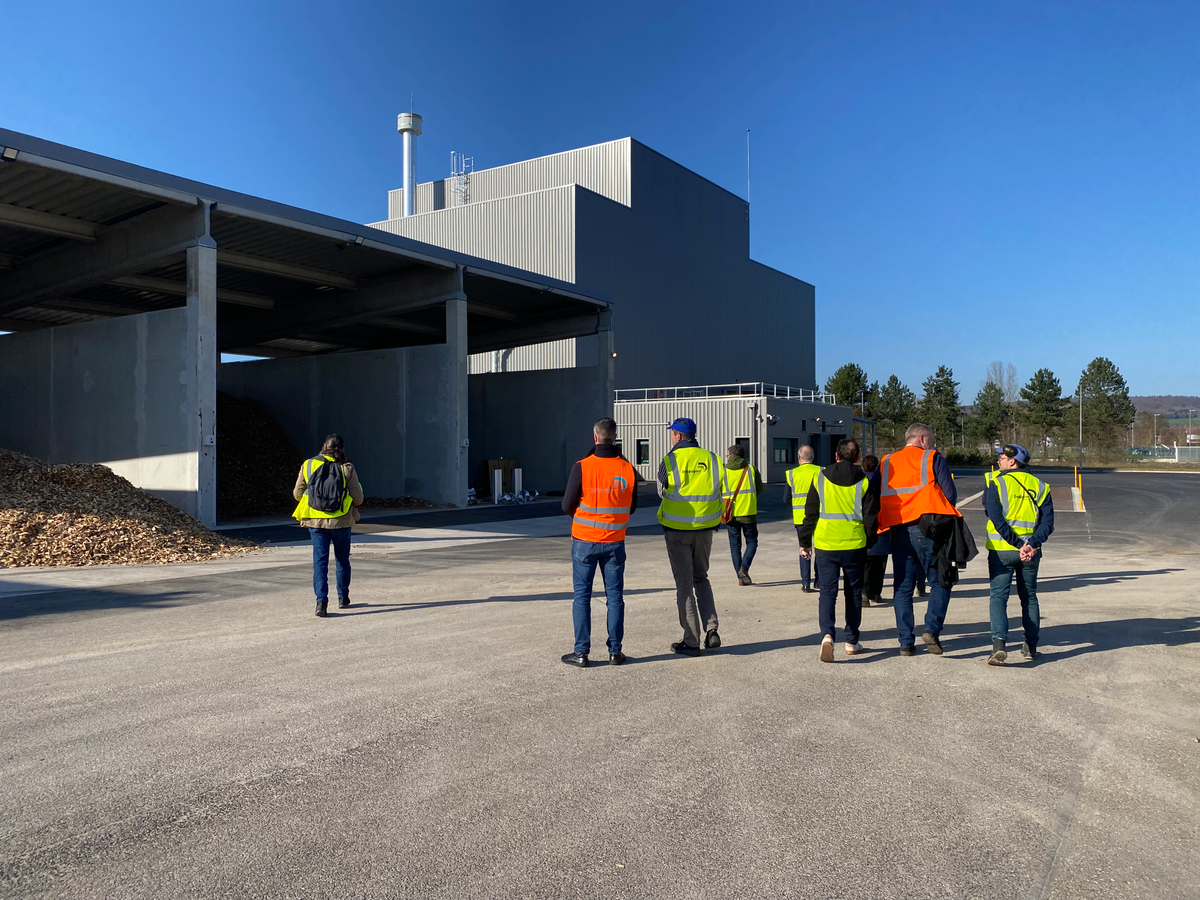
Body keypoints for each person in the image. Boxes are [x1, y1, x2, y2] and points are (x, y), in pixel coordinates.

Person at [559, 418, 638, 668]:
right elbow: (632, 506)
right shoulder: (627, 468)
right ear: (614, 437)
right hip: (615, 542)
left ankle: (581, 653)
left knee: (582, 597)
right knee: (615, 597)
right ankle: (615, 652)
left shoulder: (582, 466)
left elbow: (566, 505)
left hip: (585, 541)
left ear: (595, 437)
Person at [877, 423, 961, 655]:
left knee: (903, 588)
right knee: (939, 581)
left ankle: (905, 642)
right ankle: (931, 629)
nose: (932, 444)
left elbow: (873, 492)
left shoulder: (886, 461)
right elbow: (950, 494)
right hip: (928, 529)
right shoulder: (931, 457)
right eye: (931, 439)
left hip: (897, 529)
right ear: (922, 438)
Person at [798, 438, 879, 662]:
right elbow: (871, 517)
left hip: (826, 544)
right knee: (853, 594)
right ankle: (852, 641)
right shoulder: (864, 481)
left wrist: (805, 541)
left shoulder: (820, 477)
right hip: (854, 544)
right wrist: (870, 542)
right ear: (857, 458)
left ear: (836, 455)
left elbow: (810, 513)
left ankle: (827, 635)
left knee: (827, 593)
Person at [657, 417, 724, 655]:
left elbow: (660, 491)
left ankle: (691, 640)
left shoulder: (669, 460)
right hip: (705, 529)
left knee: (684, 585)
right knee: (701, 578)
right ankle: (712, 629)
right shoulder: (713, 459)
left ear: (677, 435)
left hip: (677, 530)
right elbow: (720, 488)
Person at [984, 443, 1054, 666]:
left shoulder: (996, 482)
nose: (999, 461)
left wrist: (1017, 544)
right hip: (1031, 553)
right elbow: (1048, 523)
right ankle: (1031, 646)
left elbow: (995, 517)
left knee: (998, 596)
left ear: (1012, 461)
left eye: (1002, 458)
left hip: (1002, 550)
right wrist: (1031, 544)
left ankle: (999, 645)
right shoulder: (1040, 486)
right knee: (1029, 597)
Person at [292, 434, 364, 618]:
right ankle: (343, 597)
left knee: (320, 562)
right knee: (342, 560)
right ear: (342, 449)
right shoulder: (347, 467)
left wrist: (315, 499)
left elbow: (297, 494)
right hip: (341, 521)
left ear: (324, 447)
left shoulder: (309, 464)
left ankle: (321, 602)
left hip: (316, 521)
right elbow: (358, 498)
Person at [721, 444, 763, 585]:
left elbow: (718, 490)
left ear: (731, 456)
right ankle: (744, 568)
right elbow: (759, 489)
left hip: (730, 513)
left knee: (735, 546)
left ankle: (740, 578)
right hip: (748, 512)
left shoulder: (723, 471)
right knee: (752, 542)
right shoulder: (752, 470)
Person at [784, 445, 822, 593]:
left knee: (804, 549)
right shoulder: (821, 471)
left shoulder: (791, 474)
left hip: (800, 518)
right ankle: (819, 581)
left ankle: (806, 583)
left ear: (799, 458)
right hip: (818, 516)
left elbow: (786, 498)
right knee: (820, 548)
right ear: (813, 457)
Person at [861, 454, 891, 607]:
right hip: (882, 525)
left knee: (866, 564)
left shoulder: (860, 481)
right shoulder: (884, 482)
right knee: (880, 563)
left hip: (866, 526)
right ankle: (876, 593)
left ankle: (864, 593)